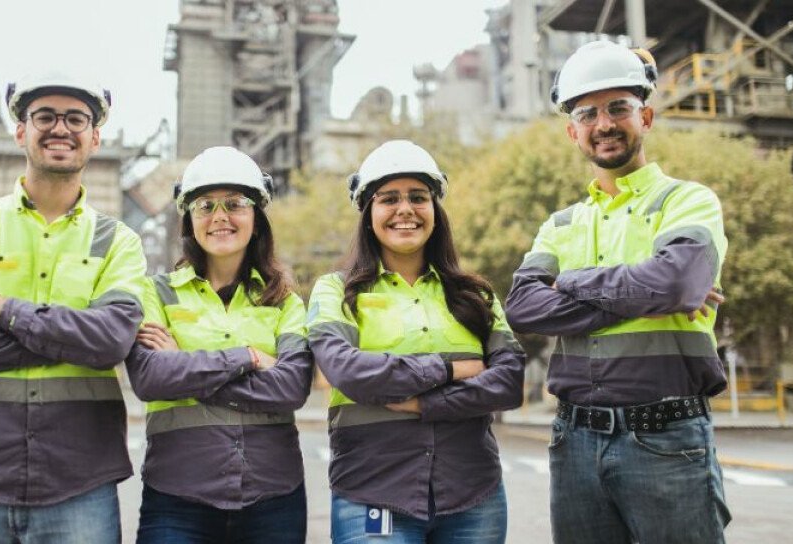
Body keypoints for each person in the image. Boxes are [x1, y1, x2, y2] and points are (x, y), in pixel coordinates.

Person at [504, 40, 731, 544]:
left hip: (667, 438)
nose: (603, 123)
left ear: (645, 117)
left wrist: (570, 282)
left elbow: (675, 283)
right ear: (573, 132)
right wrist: (650, 293)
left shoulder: (686, 201)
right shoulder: (561, 224)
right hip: (574, 442)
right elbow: (522, 307)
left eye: (617, 108)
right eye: (587, 114)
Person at [0, 73, 147, 543]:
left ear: (95, 138)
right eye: (45, 117)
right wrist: (67, 340)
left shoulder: (118, 241)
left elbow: (110, 342)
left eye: (76, 119)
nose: (60, 128)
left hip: (78, 481)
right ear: (21, 131)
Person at [307, 140, 525, 543]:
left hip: (473, 497)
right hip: (373, 492)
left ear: (435, 211)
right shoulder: (335, 291)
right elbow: (348, 372)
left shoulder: (475, 295)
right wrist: (451, 370)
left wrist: (425, 404)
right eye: (389, 199)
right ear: (367, 213)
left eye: (418, 197)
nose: (405, 209)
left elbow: (509, 382)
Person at [125, 146, 313, 543]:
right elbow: (151, 378)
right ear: (190, 220)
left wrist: (185, 365)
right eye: (205, 206)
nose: (220, 216)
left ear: (256, 220)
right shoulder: (156, 293)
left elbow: (292, 387)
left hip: (273, 499)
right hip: (177, 496)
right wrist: (247, 357)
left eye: (235, 203)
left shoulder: (284, 302)